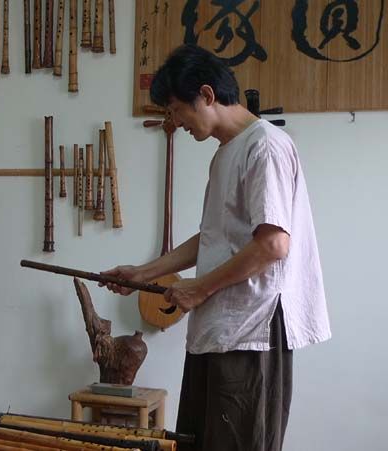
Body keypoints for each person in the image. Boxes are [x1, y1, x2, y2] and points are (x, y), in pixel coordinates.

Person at [101, 45, 330, 451]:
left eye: (176, 110)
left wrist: (200, 288)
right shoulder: (227, 152)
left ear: (206, 95)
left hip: (251, 330)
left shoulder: (265, 145)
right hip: (220, 329)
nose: (175, 122)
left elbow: (273, 244)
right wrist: (142, 273)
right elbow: (212, 236)